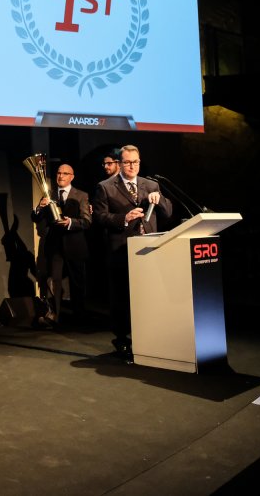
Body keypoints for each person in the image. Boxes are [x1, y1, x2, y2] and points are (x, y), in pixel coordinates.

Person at [91, 145, 172, 359]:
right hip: (121, 250)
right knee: (122, 296)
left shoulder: (151, 185)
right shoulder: (105, 187)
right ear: (119, 163)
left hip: (149, 249)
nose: (132, 166)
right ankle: (122, 339)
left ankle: (151, 335)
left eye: (135, 162)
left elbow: (168, 212)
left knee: (149, 294)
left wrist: (160, 200)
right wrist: (124, 218)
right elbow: (99, 217)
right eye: (127, 162)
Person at [31, 164, 91, 326]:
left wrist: (70, 222)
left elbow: (87, 221)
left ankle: (79, 318)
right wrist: (39, 207)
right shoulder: (49, 194)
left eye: (65, 173)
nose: (61, 176)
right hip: (55, 245)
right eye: (59, 173)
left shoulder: (81, 195)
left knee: (77, 283)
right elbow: (36, 218)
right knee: (54, 280)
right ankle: (55, 315)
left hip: (75, 245)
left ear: (72, 177)